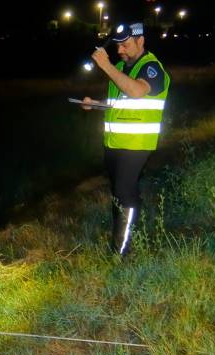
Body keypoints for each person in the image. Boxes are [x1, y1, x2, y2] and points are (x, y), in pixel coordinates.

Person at [81, 22, 170, 256]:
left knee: (124, 190)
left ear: (141, 41)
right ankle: (124, 235)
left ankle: (121, 252)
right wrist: (95, 104)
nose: (120, 50)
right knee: (120, 192)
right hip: (114, 142)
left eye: (126, 45)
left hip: (136, 143)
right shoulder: (121, 66)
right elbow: (121, 103)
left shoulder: (151, 68)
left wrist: (106, 66)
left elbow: (137, 91)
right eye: (118, 46)